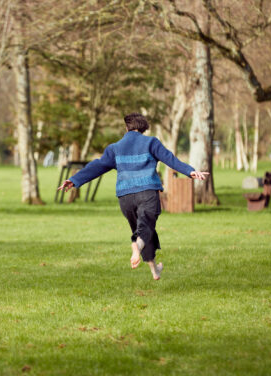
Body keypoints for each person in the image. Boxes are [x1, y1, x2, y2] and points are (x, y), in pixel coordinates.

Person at [58, 113, 208, 280]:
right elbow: (170, 159)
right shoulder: (151, 142)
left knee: (143, 229)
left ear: (126, 127)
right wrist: (190, 171)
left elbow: (98, 165)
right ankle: (136, 246)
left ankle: (154, 270)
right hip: (147, 192)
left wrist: (74, 179)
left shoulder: (115, 148)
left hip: (125, 197)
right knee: (145, 228)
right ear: (143, 128)